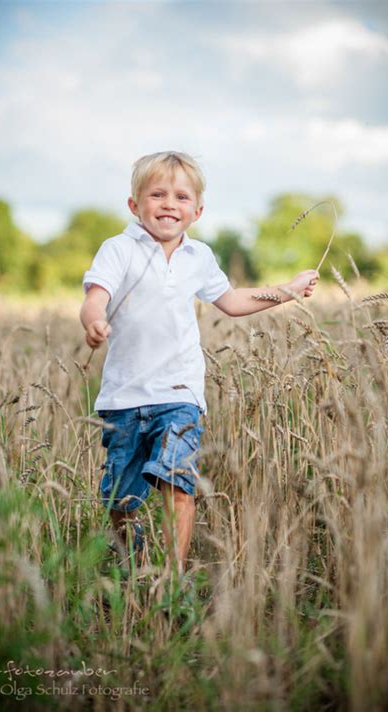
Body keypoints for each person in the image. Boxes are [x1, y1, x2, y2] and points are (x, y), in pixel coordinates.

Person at [80, 150, 318, 576]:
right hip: (124, 396)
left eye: (181, 197)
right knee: (120, 499)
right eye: (157, 194)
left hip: (180, 394)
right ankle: (130, 568)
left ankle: (170, 581)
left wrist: (288, 290)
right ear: (135, 205)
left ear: (197, 210)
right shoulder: (118, 250)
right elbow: (95, 296)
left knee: (177, 481)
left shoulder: (200, 258)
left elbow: (232, 301)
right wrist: (94, 321)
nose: (170, 204)